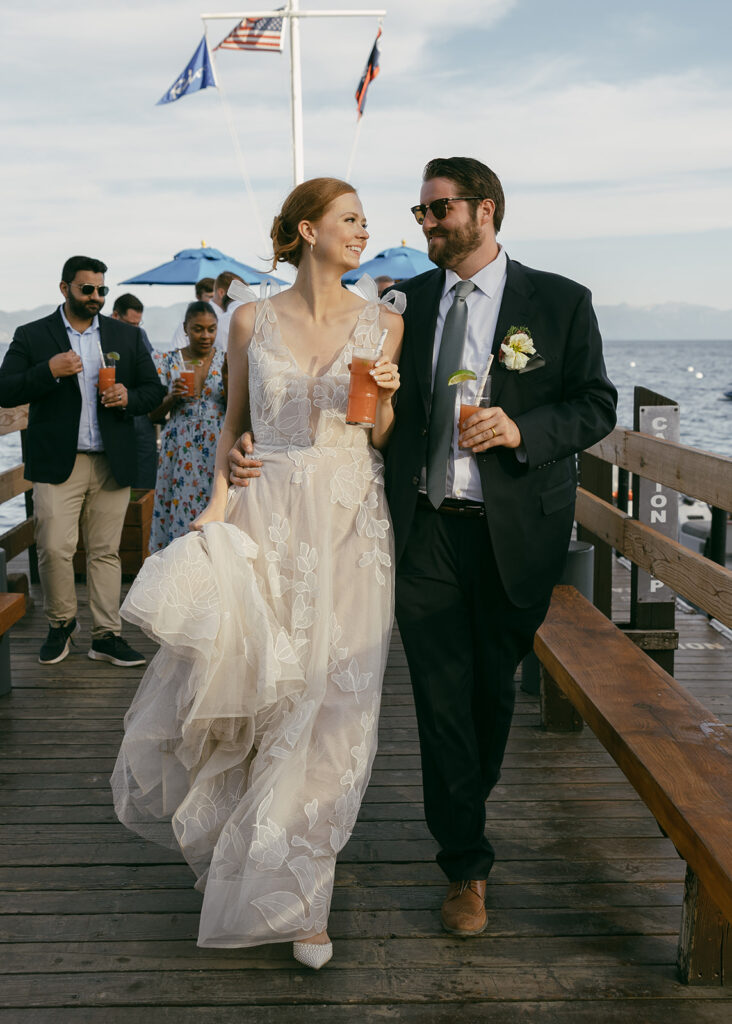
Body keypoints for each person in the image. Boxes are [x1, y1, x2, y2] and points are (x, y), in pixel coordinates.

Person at [228, 157, 617, 938]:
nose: (426, 224)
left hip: (516, 533)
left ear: (485, 209)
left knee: (491, 697)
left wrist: (521, 428)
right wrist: (254, 443)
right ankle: (466, 866)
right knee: (440, 701)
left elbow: (596, 404)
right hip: (423, 528)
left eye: (439, 211)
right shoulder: (403, 305)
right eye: (422, 212)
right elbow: (359, 406)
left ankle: (468, 815)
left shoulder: (561, 301)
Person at [111, 178, 403, 969]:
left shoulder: (385, 323)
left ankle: (304, 897)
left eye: (364, 221)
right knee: (266, 693)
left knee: (334, 706)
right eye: (349, 218)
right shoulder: (249, 319)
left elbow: (378, 435)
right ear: (307, 229)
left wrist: (384, 400)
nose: (362, 229)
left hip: (348, 523)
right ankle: (247, 862)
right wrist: (214, 506)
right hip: (263, 513)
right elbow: (231, 425)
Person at [0, 256, 166, 666]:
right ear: (65, 289)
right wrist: (49, 370)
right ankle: (61, 625)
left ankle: (107, 636)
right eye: (87, 289)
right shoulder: (32, 334)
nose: (96, 297)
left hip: (112, 460)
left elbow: (153, 390)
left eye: (101, 290)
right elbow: (5, 390)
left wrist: (128, 397)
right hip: (58, 462)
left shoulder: (126, 335)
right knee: (54, 547)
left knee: (106, 552)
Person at [148, 301, 226, 551]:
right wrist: (172, 397)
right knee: (177, 508)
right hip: (179, 449)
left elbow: (239, 408)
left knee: (216, 513)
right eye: (198, 329)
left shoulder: (226, 361)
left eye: (211, 329)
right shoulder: (168, 361)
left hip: (217, 447)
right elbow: (152, 415)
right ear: (185, 328)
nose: (205, 336)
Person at [112, 293, 158, 490]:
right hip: (112, 410)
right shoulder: (103, 335)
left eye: (138, 324)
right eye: (131, 324)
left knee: (146, 476)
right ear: (115, 316)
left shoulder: (140, 335)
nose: (135, 329)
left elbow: (152, 368)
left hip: (139, 409)